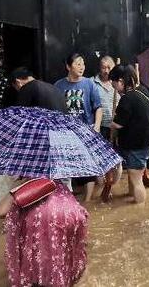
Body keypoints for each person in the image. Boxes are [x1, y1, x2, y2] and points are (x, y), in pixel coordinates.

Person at [0, 181, 88, 287]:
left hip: (43, 220)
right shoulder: (61, 185)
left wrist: (16, 188)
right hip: (71, 214)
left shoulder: (28, 186)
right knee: (66, 264)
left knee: (37, 267)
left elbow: (0, 212)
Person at [54, 53, 103, 202]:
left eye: (83, 63)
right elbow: (54, 110)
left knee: (88, 167)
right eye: (78, 64)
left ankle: (87, 202)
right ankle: (69, 200)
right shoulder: (58, 85)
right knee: (66, 166)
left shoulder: (89, 84)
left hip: (86, 131)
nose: (82, 67)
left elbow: (98, 107)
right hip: (65, 134)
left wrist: (97, 126)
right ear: (68, 66)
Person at [110, 65, 149, 204]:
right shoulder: (143, 90)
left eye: (114, 85)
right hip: (147, 140)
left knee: (136, 180)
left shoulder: (127, 99)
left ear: (120, 81)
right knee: (132, 173)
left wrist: (111, 123)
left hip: (137, 145)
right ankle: (132, 197)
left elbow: (118, 124)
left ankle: (139, 211)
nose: (115, 89)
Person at [93, 56, 123, 191]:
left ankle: (112, 186)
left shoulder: (119, 83)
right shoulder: (92, 83)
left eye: (109, 68)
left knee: (116, 158)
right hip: (100, 127)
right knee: (100, 158)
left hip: (116, 127)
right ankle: (102, 186)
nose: (106, 71)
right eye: (103, 67)